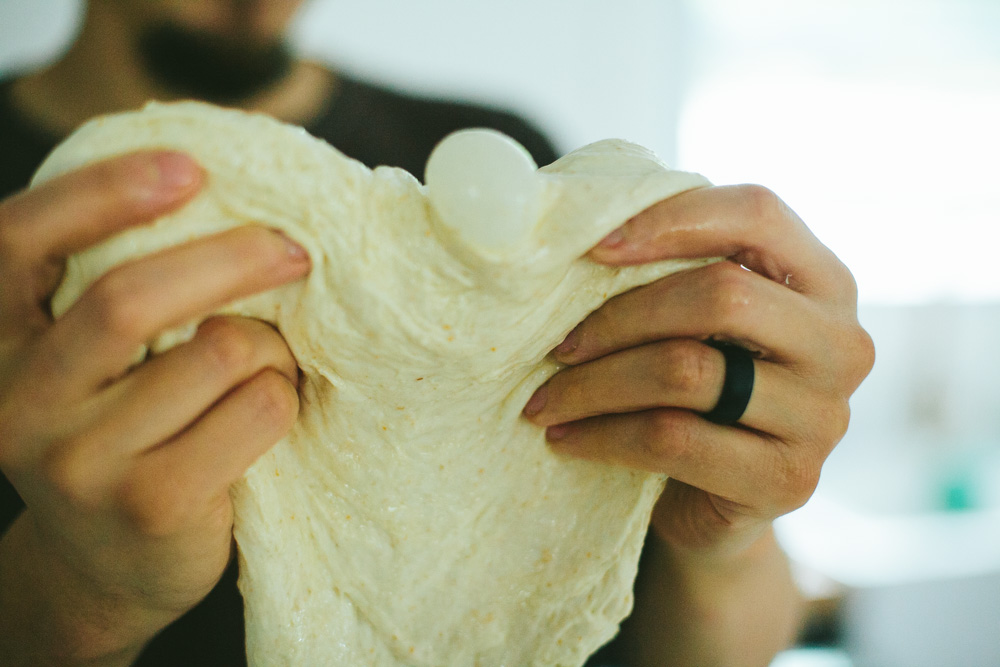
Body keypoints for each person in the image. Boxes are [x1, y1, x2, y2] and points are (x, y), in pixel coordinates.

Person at [0, 1, 875, 665]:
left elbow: (726, 636)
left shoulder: (518, 174)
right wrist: (79, 599)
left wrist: (728, 540)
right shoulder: (26, 232)